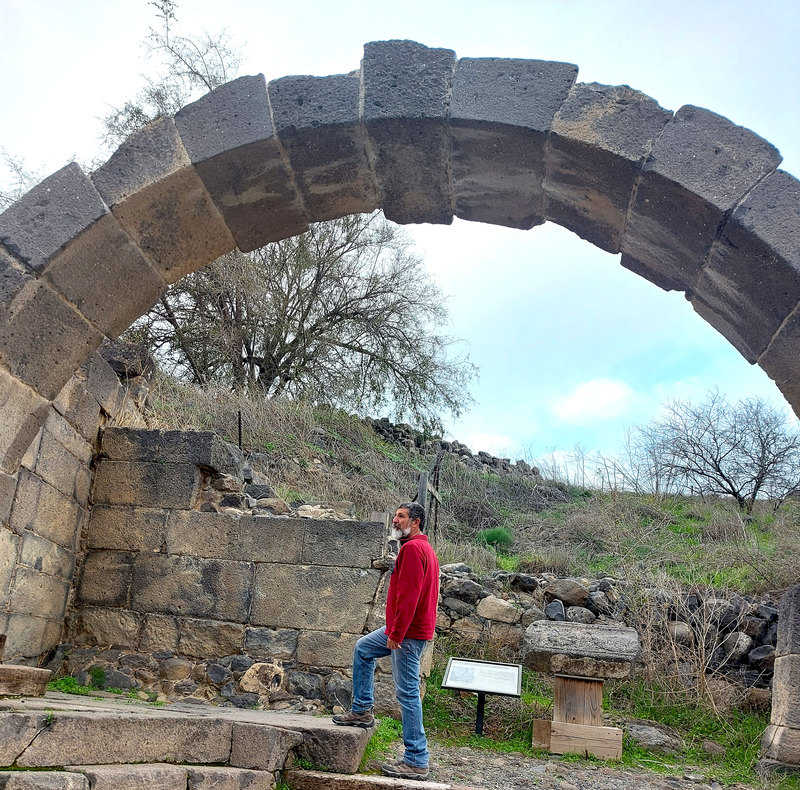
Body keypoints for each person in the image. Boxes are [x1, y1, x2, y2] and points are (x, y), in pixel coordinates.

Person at [333, 502, 440, 779]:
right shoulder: (419, 548)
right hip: (405, 629)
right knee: (364, 648)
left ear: (415, 522)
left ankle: (417, 759)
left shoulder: (415, 549)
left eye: (401, 516)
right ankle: (361, 711)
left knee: (407, 693)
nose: (395, 520)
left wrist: (396, 634)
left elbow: (410, 597)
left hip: (407, 633)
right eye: (395, 515)